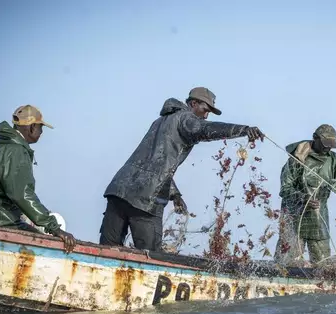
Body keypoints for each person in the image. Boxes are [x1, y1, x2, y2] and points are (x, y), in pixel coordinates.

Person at [100, 87, 264, 251]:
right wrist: (243, 130)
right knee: (151, 259)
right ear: (193, 103)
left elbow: (154, 163)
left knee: (105, 253)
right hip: (145, 198)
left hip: (119, 190)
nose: (206, 116)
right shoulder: (186, 118)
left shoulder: (160, 121)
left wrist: (175, 194)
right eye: (205, 110)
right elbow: (204, 129)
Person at [0, 105, 77, 253]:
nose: (41, 132)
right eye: (40, 127)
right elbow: (22, 194)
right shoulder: (16, 150)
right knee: (42, 242)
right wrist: (55, 229)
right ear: (31, 127)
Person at [274, 124, 336, 265]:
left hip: (318, 219)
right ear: (315, 138)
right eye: (324, 144)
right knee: (285, 264)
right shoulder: (297, 157)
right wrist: (303, 198)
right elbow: (285, 189)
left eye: (331, 145)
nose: (327, 148)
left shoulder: (333, 160)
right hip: (294, 219)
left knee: (323, 265)